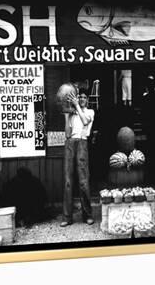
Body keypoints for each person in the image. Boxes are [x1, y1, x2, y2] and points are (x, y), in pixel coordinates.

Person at [61, 88, 95, 227]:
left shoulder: (89, 112)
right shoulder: (73, 113)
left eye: (84, 97)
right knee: (68, 182)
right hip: (70, 143)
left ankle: (87, 215)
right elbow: (67, 133)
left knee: (83, 181)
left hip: (82, 142)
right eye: (79, 97)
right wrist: (67, 116)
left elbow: (86, 122)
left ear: (87, 100)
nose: (81, 99)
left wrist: (75, 106)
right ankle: (67, 217)